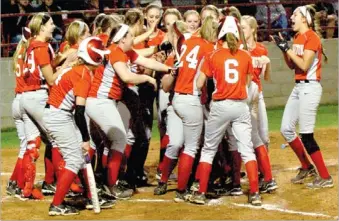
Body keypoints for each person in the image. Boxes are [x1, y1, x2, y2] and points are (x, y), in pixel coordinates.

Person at [85, 24, 174, 199]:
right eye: (131, 36)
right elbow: (127, 77)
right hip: (100, 102)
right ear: (122, 38)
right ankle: (110, 185)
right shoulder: (116, 52)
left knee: (108, 144)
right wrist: (147, 78)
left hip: (102, 102)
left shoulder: (124, 51)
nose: (133, 39)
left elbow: (146, 61)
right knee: (119, 140)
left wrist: (168, 69)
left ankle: (102, 181)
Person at [189, 16, 262, 206]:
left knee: (209, 149)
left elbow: (198, 83)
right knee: (247, 150)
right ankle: (254, 193)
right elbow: (246, 82)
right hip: (240, 105)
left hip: (220, 105)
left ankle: (201, 192)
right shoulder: (245, 55)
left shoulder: (213, 55)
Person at [45, 36, 110, 216]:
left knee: (80, 158)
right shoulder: (83, 75)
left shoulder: (79, 69)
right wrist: (86, 139)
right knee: (74, 159)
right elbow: (80, 112)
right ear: (94, 57)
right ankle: (56, 204)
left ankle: (91, 197)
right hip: (58, 116)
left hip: (59, 114)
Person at [271, 5, 334, 189]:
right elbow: (293, 66)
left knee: (306, 135)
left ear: (304, 19)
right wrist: (284, 49)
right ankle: (307, 166)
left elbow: (305, 65)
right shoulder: (298, 37)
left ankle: (325, 176)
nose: (291, 18)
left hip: (310, 88)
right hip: (299, 87)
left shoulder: (312, 37)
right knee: (286, 129)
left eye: (295, 15)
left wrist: (287, 49)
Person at [155, 17, 216, 200]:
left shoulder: (185, 46)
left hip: (177, 101)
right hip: (189, 100)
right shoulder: (208, 48)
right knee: (190, 147)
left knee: (175, 144)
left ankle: (167, 181)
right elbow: (167, 85)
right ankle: (180, 189)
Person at [20, 12, 76, 198]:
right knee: (57, 139)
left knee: (33, 143)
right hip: (37, 96)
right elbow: (51, 79)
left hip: (26, 97)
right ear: (42, 27)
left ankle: (27, 188)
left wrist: (61, 58)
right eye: (51, 23)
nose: (54, 26)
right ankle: (64, 184)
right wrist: (68, 65)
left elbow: (47, 67)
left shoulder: (31, 45)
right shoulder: (42, 47)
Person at [241, 15, 278, 193]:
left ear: (253, 29)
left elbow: (267, 78)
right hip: (242, 97)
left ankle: (265, 175)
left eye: (245, 28)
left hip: (257, 96)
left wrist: (267, 64)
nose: (242, 31)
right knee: (249, 137)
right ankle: (255, 172)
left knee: (263, 136)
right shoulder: (239, 49)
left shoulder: (261, 49)